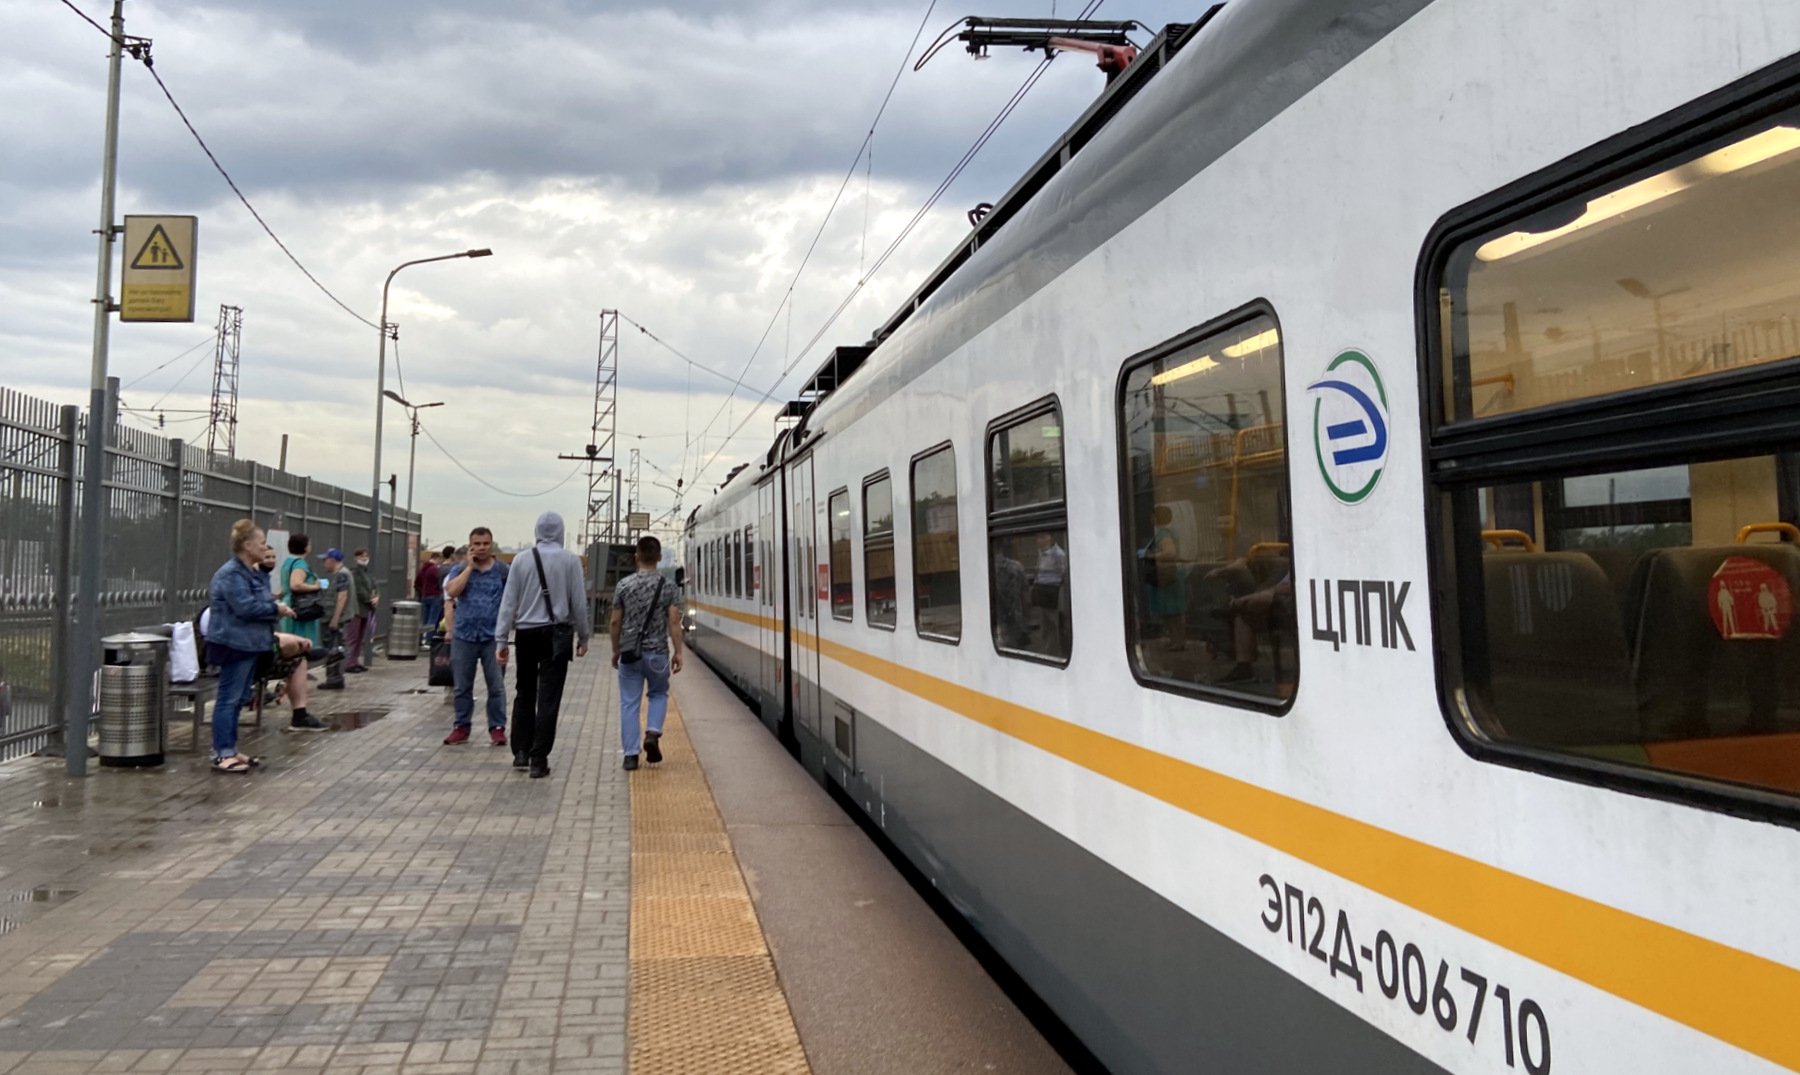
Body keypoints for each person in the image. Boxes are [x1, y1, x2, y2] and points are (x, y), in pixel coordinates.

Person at [497, 512, 592, 779]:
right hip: (556, 635)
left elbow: (508, 602)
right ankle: (539, 759)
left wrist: (501, 639)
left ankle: (521, 751)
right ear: (560, 532)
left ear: (537, 531)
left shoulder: (521, 559)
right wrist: (583, 637)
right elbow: (579, 603)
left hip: (525, 634)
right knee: (549, 697)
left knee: (524, 691)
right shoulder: (570, 561)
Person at [207, 520, 298, 773]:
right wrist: (276, 609)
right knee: (229, 699)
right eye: (261, 543)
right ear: (247, 545)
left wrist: (272, 607)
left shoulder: (252, 573)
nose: (265, 547)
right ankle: (222, 753)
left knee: (238, 699)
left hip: (250, 644)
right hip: (234, 644)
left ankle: (231, 748)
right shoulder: (231, 574)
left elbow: (260, 602)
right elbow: (245, 607)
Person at [610, 535, 682, 772]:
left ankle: (631, 756)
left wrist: (615, 650)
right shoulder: (669, 586)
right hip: (658, 654)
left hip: (630, 654)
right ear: (659, 557)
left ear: (636, 557)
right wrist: (678, 652)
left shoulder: (624, 585)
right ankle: (652, 733)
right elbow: (674, 621)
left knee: (629, 703)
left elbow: (615, 622)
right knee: (659, 694)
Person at [442, 528, 509, 746]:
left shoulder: (502, 571)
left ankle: (497, 727)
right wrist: (469, 567)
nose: (481, 548)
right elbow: (452, 592)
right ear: (470, 546)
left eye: (485, 543)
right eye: (477, 544)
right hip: (464, 635)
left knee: (496, 686)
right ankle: (461, 726)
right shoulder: (459, 569)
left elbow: (512, 599)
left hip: (493, 637)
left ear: (492, 544)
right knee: (462, 686)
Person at [279, 533, 324, 647]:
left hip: (288, 602)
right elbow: (295, 585)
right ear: (304, 547)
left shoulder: (287, 562)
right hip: (302, 606)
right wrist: (315, 586)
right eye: (309, 544)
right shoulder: (300, 564)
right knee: (302, 641)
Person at [319, 548, 354, 691]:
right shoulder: (343, 574)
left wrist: (335, 618)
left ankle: (334, 678)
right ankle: (335, 677)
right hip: (336, 617)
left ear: (332, 560)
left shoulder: (342, 575)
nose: (323, 563)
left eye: (325, 560)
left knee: (334, 649)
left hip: (335, 619)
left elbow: (342, 597)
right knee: (336, 647)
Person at [346, 547, 380, 672]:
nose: (364, 558)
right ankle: (349, 663)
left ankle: (355, 661)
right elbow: (359, 590)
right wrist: (370, 599)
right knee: (353, 637)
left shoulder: (368, 573)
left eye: (366, 556)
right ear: (355, 558)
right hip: (356, 609)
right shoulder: (354, 573)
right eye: (361, 556)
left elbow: (375, 586)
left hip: (366, 609)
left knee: (360, 637)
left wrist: (377, 597)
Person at [416, 547, 448, 644]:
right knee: (433, 619)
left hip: (424, 595)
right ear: (437, 558)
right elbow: (439, 582)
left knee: (424, 619)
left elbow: (417, 582)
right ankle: (428, 640)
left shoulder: (423, 569)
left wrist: (421, 592)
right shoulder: (434, 569)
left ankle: (421, 639)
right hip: (434, 595)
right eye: (439, 560)